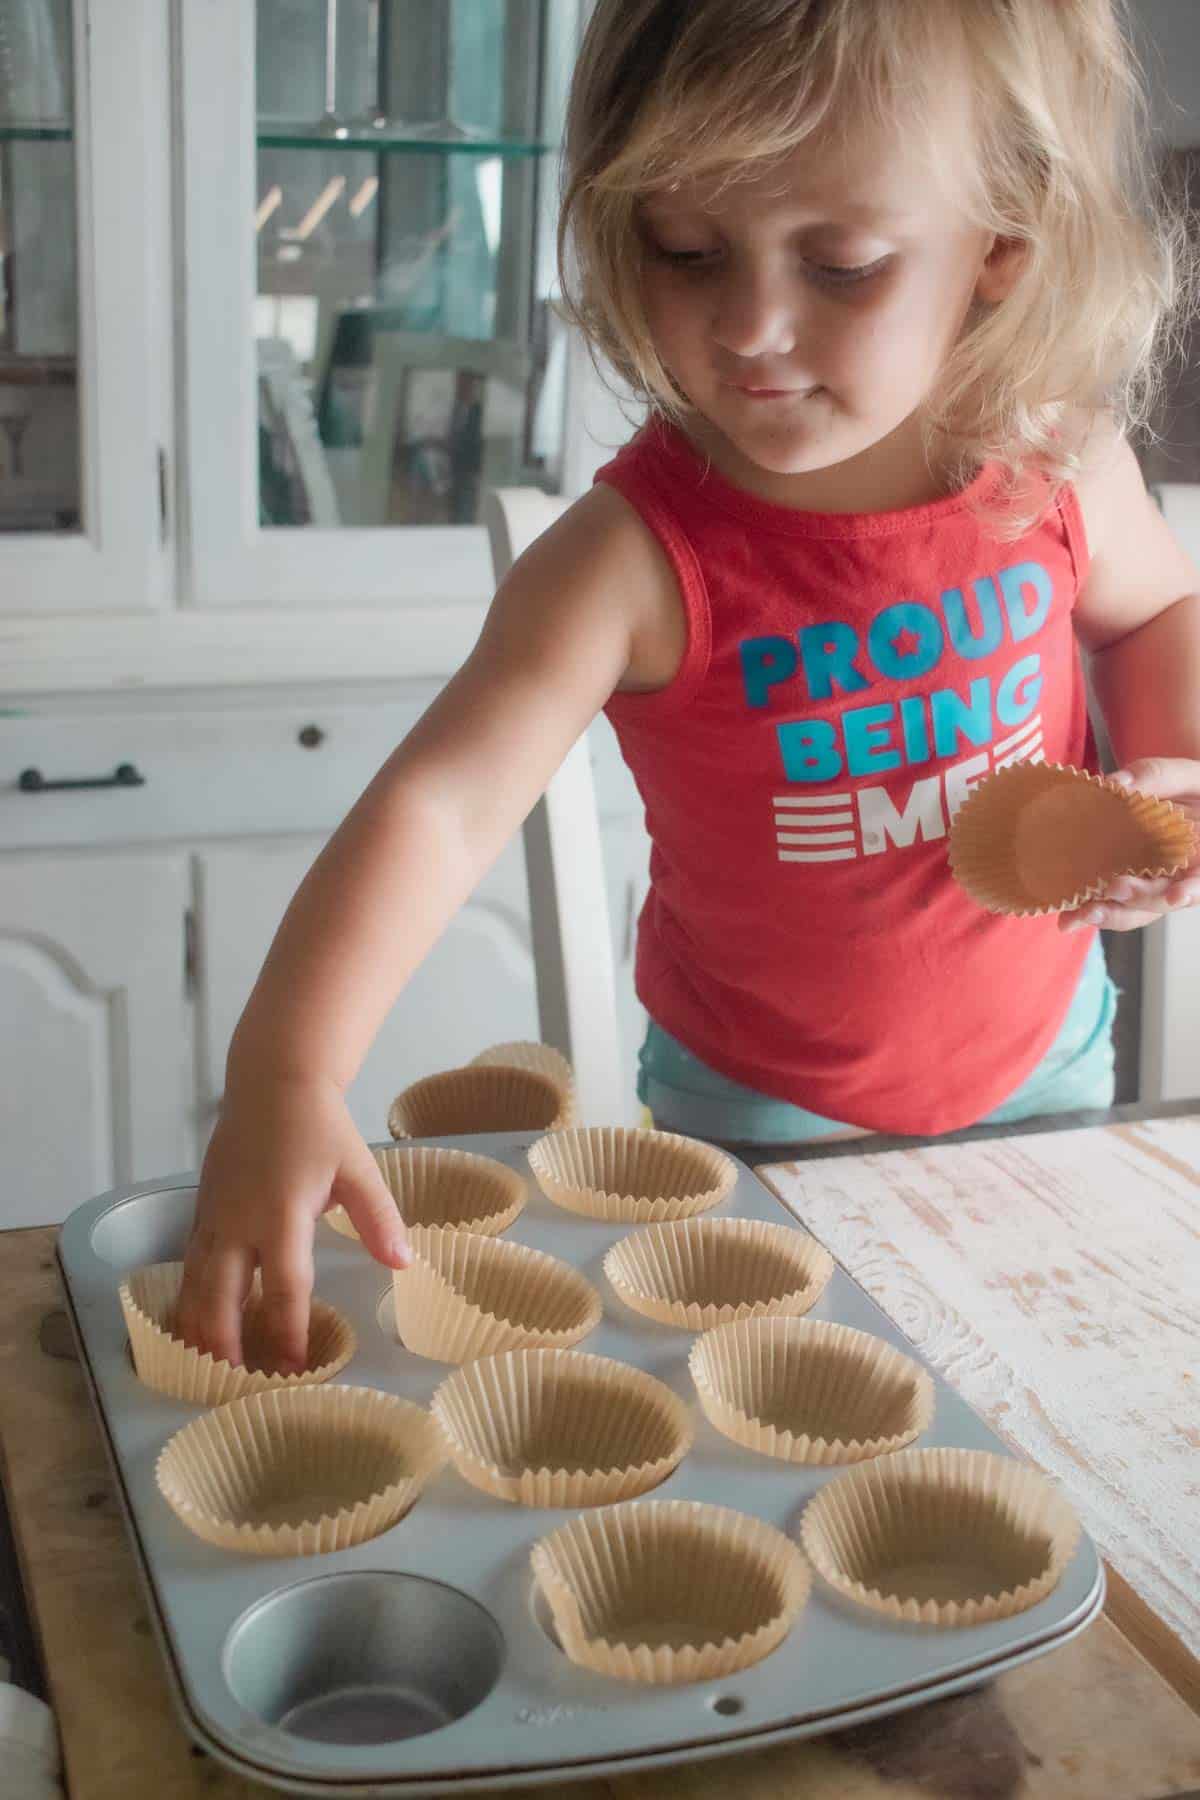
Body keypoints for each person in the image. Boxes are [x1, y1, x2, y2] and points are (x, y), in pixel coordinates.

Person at [177, 0, 1200, 1373]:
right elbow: (440, 806)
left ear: (999, 250)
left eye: (841, 266)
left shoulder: (1052, 466)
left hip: (1054, 1075)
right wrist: (283, 1070)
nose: (753, 328)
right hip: (754, 1136)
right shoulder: (630, 561)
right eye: (688, 250)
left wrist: (1169, 761)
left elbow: (1155, 614)